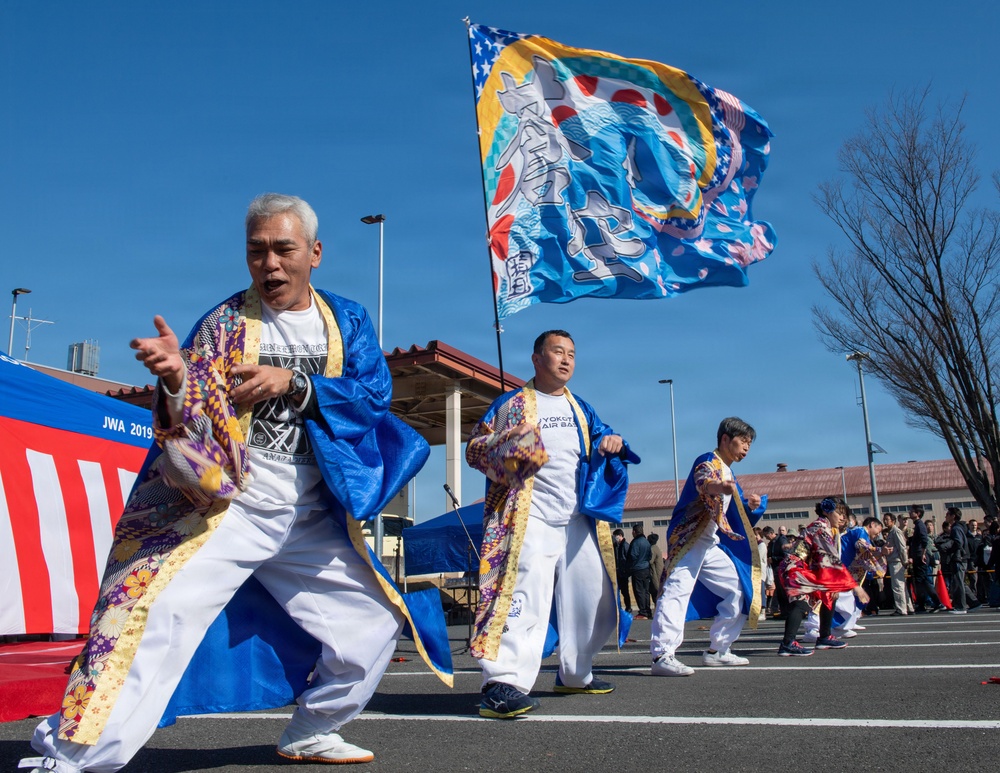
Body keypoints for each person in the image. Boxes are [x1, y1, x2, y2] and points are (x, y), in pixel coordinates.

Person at [21, 194, 452, 772]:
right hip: (232, 508)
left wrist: (294, 383)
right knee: (155, 616)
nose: (270, 264)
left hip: (313, 516)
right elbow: (188, 425)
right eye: (257, 252)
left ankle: (314, 729)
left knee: (374, 621)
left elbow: (374, 399)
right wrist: (176, 381)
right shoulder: (222, 325)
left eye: (284, 249)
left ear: (315, 254)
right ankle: (67, 755)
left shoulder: (346, 321)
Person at [466, 330, 638, 719]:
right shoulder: (510, 404)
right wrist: (507, 446)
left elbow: (605, 436)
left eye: (572, 354)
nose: (565, 360)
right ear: (536, 359)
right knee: (524, 593)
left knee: (593, 598)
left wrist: (612, 440)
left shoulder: (583, 409)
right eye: (557, 352)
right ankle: (502, 684)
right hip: (528, 516)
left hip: (578, 518)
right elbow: (475, 448)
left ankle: (576, 673)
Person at [649, 417, 766, 676]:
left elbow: (735, 510)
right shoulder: (707, 462)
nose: (746, 448)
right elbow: (704, 482)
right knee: (676, 591)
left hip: (710, 543)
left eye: (749, 443)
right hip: (688, 539)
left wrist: (749, 503)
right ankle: (661, 655)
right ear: (725, 439)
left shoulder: (728, 470)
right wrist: (719, 487)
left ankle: (718, 650)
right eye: (743, 441)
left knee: (737, 589)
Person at [776, 497, 866, 656]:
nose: (843, 518)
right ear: (827, 511)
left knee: (830, 594)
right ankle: (787, 643)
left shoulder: (826, 529)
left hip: (804, 567)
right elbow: (831, 560)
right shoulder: (820, 528)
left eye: (844, 514)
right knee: (801, 604)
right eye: (840, 513)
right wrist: (855, 586)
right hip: (795, 567)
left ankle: (824, 637)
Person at [907, 505, 942, 613]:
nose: (910, 513)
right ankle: (921, 605)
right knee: (920, 581)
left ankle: (937, 603)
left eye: (912, 511)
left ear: (917, 513)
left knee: (923, 581)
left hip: (920, 556)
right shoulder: (917, 525)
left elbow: (924, 540)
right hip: (917, 555)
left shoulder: (920, 525)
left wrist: (922, 553)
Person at [883, 513, 912, 615]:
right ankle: (908, 607)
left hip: (897, 561)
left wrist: (904, 561)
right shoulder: (891, 532)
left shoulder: (896, 532)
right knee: (902, 586)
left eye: (887, 519)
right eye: (884, 519)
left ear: (893, 521)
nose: (885, 521)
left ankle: (901, 609)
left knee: (898, 586)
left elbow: (902, 547)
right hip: (894, 561)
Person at [768, 525, 793, 618]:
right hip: (777, 568)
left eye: (783, 530)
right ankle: (784, 611)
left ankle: (787, 611)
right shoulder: (774, 542)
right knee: (779, 591)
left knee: (783, 591)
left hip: (781, 568)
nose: (781, 532)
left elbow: (786, 555)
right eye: (780, 530)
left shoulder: (781, 540)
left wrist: (773, 558)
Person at [629, 524, 653, 618]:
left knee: (639, 591)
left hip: (637, 569)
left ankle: (642, 611)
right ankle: (648, 610)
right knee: (646, 591)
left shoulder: (635, 542)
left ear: (634, 532)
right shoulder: (646, 542)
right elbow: (650, 556)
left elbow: (632, 556)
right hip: (646, 568)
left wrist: (631, 565)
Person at [613, 528, 633, 612]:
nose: (615, 538)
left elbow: (628, 558)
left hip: (623, 572)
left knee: (625, 591)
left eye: (616, 536)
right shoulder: (616, 545)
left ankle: (628, 607)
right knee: (617, 591)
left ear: (620, 536)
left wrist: (626, 570)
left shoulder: (625, 545)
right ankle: (619, 607)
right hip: (617, 572)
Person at [649, 533, 664, 603]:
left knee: (656, 591)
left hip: (656, 573)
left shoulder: (652, 549)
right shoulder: (656, 548)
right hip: (659, 572)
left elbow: (650, 561)